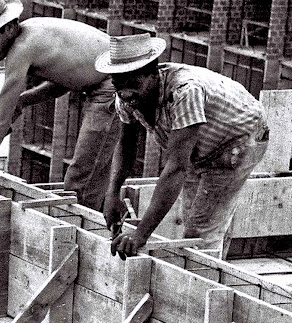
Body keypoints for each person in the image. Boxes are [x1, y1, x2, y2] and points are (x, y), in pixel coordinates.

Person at [96, 34, 270, 257]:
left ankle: (207, 270)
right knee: (193, 215)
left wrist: (140, 234)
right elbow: (126, 146)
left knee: (200, 230)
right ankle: (216, 251)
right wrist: (112, 193)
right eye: (118, 84)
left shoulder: (185, 91)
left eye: (133, 84)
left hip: (239, 139)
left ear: (153, 73)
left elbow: (176, 167)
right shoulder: (125, 96)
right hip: (201, 147)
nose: (125, 92)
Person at [0, 0, 118, 212]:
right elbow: (68, 80)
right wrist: (24, 100)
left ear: (9, 28)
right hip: (106, 80)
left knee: (79, 184)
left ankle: (85, 230)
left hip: (114, 83)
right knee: (89, 181)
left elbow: (0, 121)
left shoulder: (21, 48)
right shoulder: (32, 34)